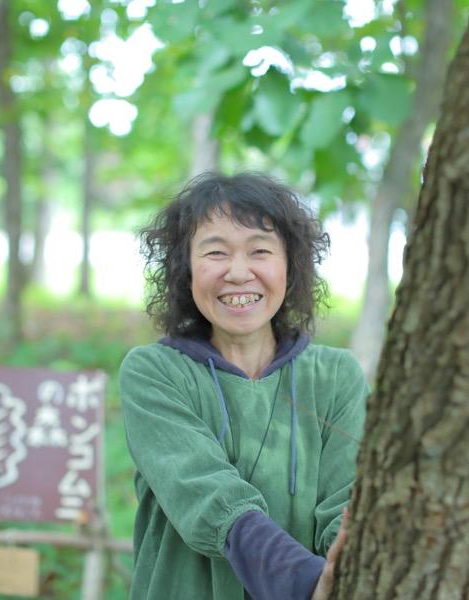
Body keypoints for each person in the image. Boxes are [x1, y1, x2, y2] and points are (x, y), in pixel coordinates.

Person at [119, 172, 368, 599]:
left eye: (260, 251)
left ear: (290, 266)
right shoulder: (154, 372)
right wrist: (305, 581)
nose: (238, 272)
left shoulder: (336, 377)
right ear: (185, 269)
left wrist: (344, 572)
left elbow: (347, 508)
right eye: (215, 252)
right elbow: (205, 494)